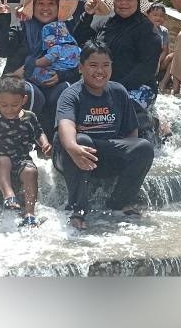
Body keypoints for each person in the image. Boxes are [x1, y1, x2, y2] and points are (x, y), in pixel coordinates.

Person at [53, 41, 155, 230]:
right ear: (81, 67)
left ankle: (119, 202)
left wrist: (129, 159)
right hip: (72, 156)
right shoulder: (71, 94)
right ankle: (77, 209)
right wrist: (72, 147)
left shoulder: (118, 91)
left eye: (105, 65)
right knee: (81, 140)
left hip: (104, 154)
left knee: (143, 147)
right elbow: (65, 126)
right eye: (93, 65)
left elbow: (131, 133)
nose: (100, 71)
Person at [0, 75, 53, 227]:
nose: (9, 109)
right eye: (4, 105)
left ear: (24, 100)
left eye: (15, 105)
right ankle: (8, 195)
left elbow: (39, 133)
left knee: (31, 171)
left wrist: (45, 144)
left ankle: (30, 212)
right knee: (4, 160)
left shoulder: (29, 118)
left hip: (22, 159)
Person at [0, 0, 79, 132]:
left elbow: (75, 61)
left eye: (51, 3)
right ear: (33, 6)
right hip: (21, 81)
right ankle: (21, 144)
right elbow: (2, 51)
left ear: (58, 7)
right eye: (41, 3)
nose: (45, 8)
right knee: (32, 94)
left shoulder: (64, 30)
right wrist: (3, 20)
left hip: (53, 82)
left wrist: (61, 75)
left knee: (66, 90)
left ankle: (55, 143)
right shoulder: (21, 27)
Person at [29, 20, 80, 86]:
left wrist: (33, 63)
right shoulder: (77, 49)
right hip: (71, 75)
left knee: (33, 70)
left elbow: (46, 60)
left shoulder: (57, 48)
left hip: (52, 75)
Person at [145, 1, 173, 91]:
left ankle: (163, 82)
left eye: (161, 16)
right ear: (148, 15)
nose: (158, 18)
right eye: (155, 15)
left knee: (175, 56)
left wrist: (158, 60)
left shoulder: (164, 31)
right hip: (146, 61)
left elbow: (165, 50)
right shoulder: (144, 29)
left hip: (159, 62)